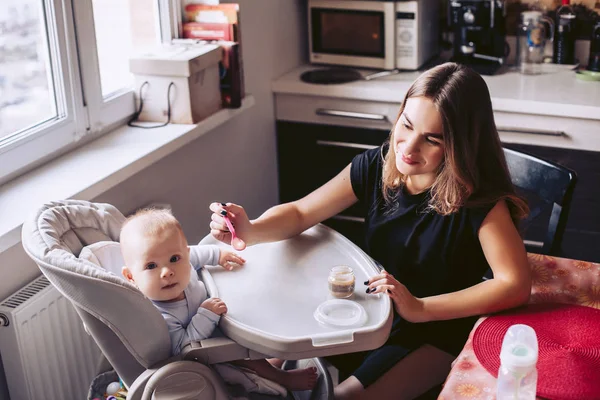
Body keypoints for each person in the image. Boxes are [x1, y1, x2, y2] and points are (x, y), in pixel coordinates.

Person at [208, 62, 533, 399]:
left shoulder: (480, 201)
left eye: (431, 140)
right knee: (262, 366)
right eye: (406, 125)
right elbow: (302, 211)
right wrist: (251, 229)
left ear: (459, 146)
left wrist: (420, 308)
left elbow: (515, 284)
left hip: (435, 329)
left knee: (341, 398)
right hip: (372, 310)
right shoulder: (377, 165)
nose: (408, 147)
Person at [120, 208, 318, 391]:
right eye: (151, 266)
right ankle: (282, 378)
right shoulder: (162, 315)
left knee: (258, 316)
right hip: (212, 350)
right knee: (244, 354)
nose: (167, 272)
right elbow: (184, 348)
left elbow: (194, 255)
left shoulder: (184, 264)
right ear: (131, 277)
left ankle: (270, 363)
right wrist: (205, 315)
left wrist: (218, 255)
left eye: (174, 259)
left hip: (224, 320)